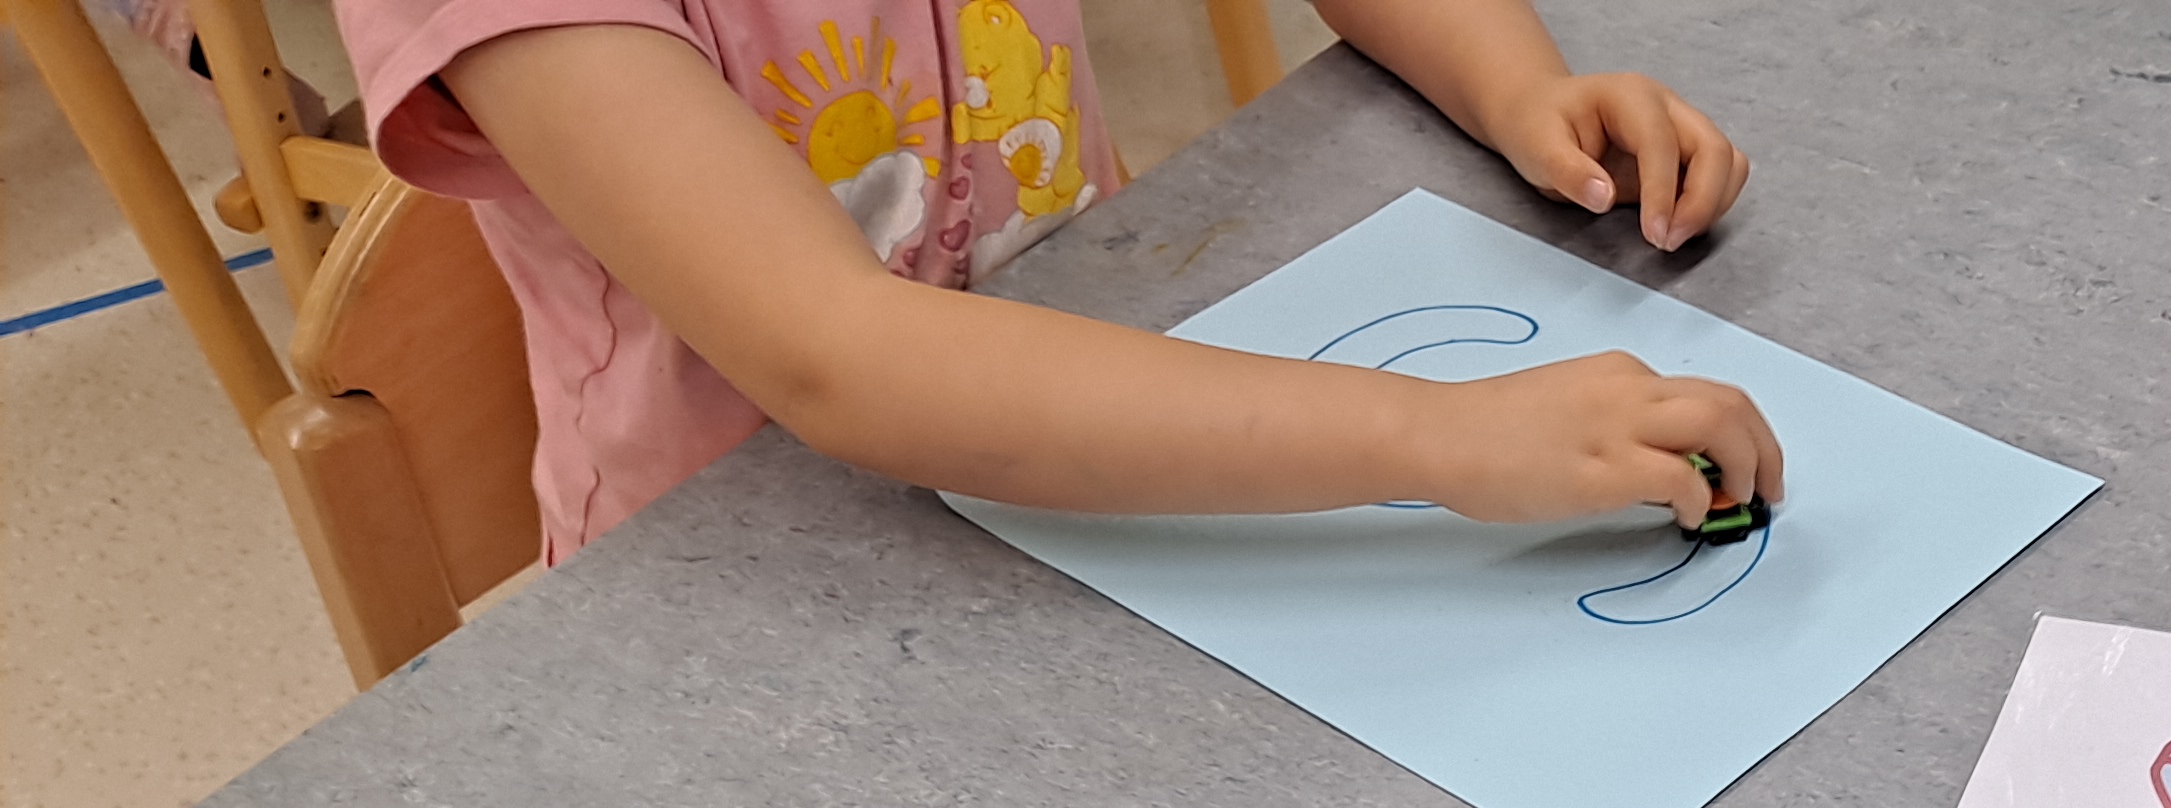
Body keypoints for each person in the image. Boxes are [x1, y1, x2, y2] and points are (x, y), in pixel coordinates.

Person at [326, 0, 1781, 560]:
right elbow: (841, 360)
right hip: (767, 556)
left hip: (1116, 414)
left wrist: (1517, 85)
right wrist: (1439, 435)